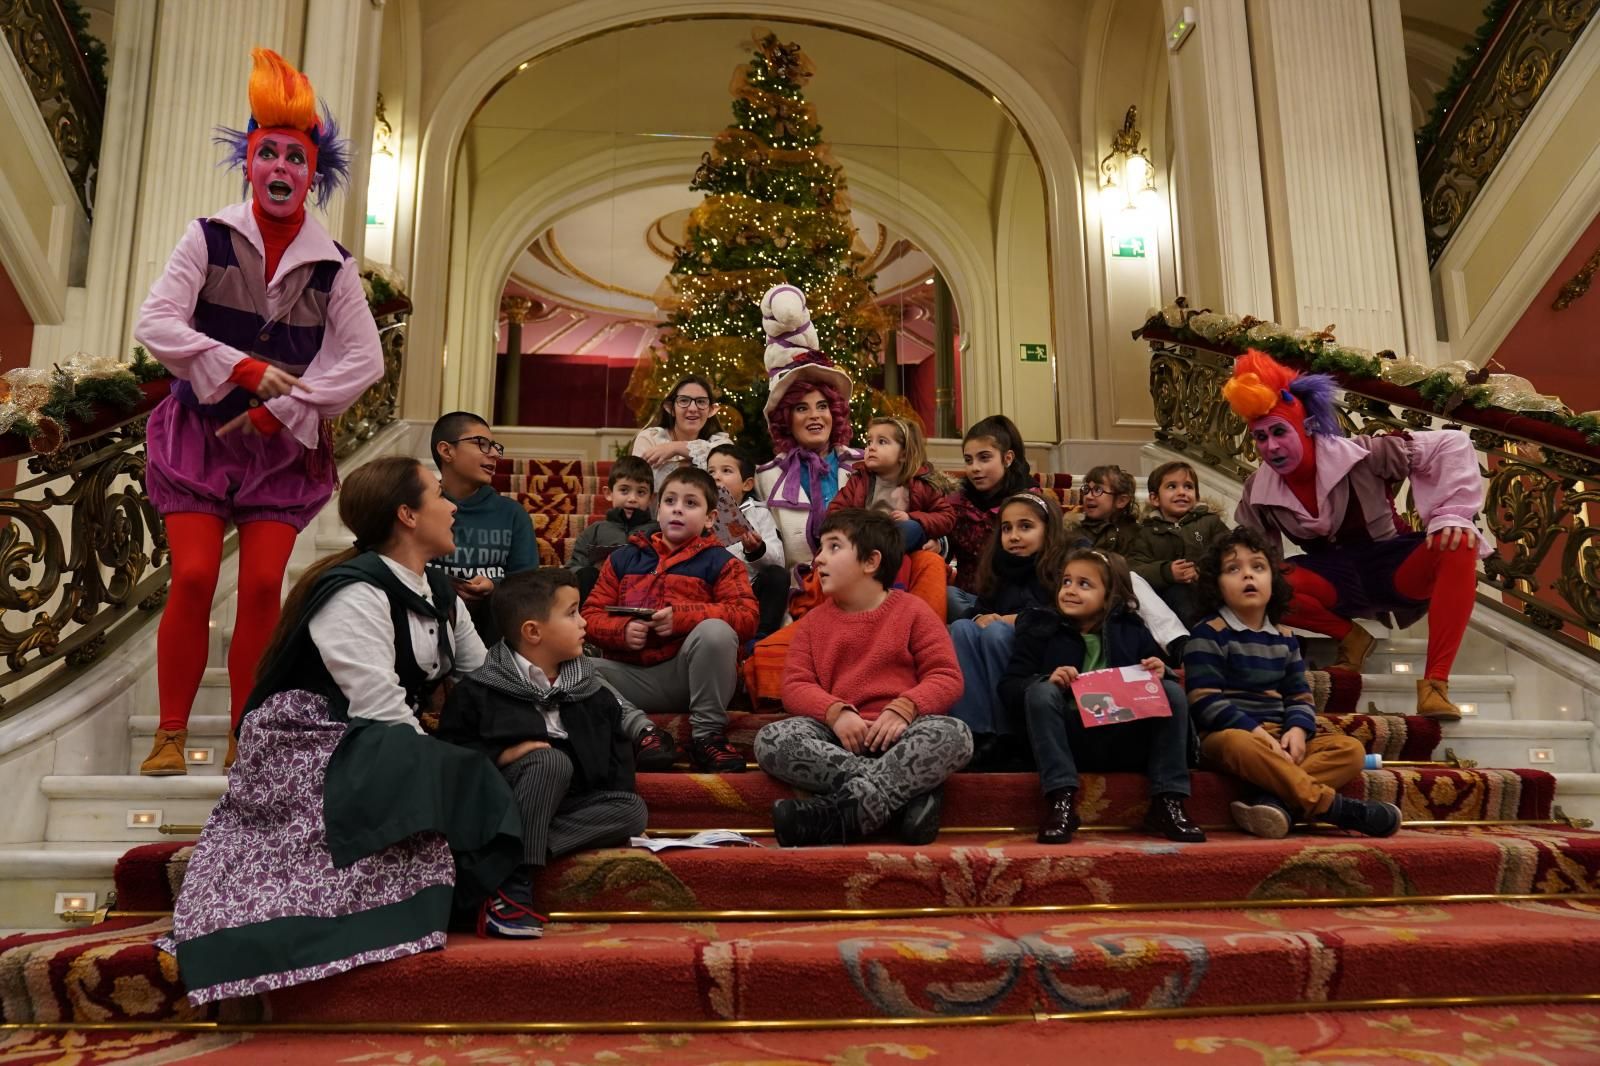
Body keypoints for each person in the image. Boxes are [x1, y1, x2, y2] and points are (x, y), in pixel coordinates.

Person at [160, 457, 527, 1002]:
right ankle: (484, 893)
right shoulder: (355, 591)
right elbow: (378, 705)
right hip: (310, 739)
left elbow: (484, 674)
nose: (453, 506)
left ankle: (486, 877)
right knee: (458, 769)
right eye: (439, 495)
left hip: (376, 732)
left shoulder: (440, 592)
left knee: (510, 759)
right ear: (407, 514)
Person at [133, 48, 382, 775]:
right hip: (199, 436)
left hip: (280, 449)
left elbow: (363, 360)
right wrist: (242, 370)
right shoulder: (205, 237)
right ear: (248, 162)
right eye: (266, 152)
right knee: (192, 577)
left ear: (313, 174)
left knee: (267, 585)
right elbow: (157, 322)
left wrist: (282, 411)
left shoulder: (334, 265)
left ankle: (249, 732)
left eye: (294, 158)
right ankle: (171, 732)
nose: (280, 167)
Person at [1223, 351, 1488, 718]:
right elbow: (1252, 557)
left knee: (1460, 543)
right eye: (1261, 437)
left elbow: (1451, 444)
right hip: (1331, 576)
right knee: (1258, 580)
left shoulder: (1365, 453)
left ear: (1307, 427)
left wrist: (1451, 515)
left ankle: (1435, 685)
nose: (1271, 447)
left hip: (1392, 562)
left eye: (1280, 432)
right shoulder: (1258, 490)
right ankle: (1350, 637)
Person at [438, 568, 647, 938]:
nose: (584, 622)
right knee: (549, 761)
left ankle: (502, 856)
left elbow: (620, 775)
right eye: (572, 613)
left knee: (632, 810)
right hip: (504, 801)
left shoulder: (595, 695)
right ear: (533, 632)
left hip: (572, 806)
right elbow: (450, 762)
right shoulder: (478, 692)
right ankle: (513, 888)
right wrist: (503, 756)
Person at [754, 510, 971, 846]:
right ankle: (906, 797)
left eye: (834, 547)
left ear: (871, 562)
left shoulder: (913, 611)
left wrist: (905, 708)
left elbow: (946, 676)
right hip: (838, 737)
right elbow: (795, 686)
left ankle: (838, 815)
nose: (819, 558)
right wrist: (835, 713)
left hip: (902, 732)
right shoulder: (812, 624)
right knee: (771, 739)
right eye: (820, 549)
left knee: (954, 734)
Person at [1184, 526, 1401, 839]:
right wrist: (1256, 733)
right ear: (1216, 585)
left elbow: (1299, 697)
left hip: (1280, 736)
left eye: (1258, 567)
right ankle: (1335, 809)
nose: (1248, 576)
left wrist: (1297, 731)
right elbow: (1205, 701)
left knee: (1350, 749)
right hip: (1229, 737)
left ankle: (1274, 802)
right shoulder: (1208, 633)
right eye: (1234, 569)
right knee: (1237, 742)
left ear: (1273, 579)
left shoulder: (1285, 639)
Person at [1001, 549, 1202, 845]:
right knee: (1042, 692)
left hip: (1125, 738)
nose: (1070, 590)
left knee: (1170, 689)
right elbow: (1010, 686)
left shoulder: (1131, 629)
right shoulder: (1041, 628)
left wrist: (1161, 669)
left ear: (1109, 596)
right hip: (1069, 741)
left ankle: (1168, 800)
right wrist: (1049, 679)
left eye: (1084, 584)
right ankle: (1061, 802)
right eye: (1066, 581)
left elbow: (1156, 670)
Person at [582, 466, 758, 772]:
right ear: (657, 509)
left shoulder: (722, 562)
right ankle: (645, 733)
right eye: (670, 501)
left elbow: (746, 616)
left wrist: (682, 618)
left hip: (691, 676)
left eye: (691, 503)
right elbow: (590, 615)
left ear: (710, 519)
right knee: (573, 667)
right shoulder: (623, 558)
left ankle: (707, 738)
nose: (678, 509)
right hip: (631, 676)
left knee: (716, 631)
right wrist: (621, 631)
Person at [947, 492, 1071, 768]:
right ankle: (975, 734)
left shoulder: (1061, 568)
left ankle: (1008, 735)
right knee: (962, 628)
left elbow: (1064, 616)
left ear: (1048, 531)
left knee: (996, 633)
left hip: (1041, 657)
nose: (1014, 536)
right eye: (1007, 528)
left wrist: (1013, 620)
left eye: (1025, 527)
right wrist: (980, 616)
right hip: (1001, 646)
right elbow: (980, 606)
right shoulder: (1001, 568)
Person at [753, 284, 863, 570]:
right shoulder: (765, 478)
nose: (815, 416)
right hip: (796, 599)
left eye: (823, 406)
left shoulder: (864, 465)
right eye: (802, 408)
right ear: (786, 419)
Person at [428, 411, 538, 644]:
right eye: (482, 444)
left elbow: (527, 587)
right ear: (447, 451)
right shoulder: (421, 508)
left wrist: (494, 588)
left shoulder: (513, 514)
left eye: (495, 446)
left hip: (493, 629)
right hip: (429, 621)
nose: (495, 454)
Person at [829, 415, 956, 554]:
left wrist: (912, 517)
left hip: (904, 549)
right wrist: (860, 525)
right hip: (864, 540)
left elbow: (947, 516)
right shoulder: (858, 480)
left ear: (903, 454)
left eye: (882, 442)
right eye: (869, 442)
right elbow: (834, 512)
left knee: (912, 529)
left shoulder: (920, 485)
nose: (871, 448)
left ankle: (882, 553)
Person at [947, 415, 1033, 620]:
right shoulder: (956, 501)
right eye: (968, 460)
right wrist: (938, 544)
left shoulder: (1030, 503)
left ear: (1008, 458)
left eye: (984, 458)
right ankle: (978, 623)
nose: (975, 468)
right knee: (948, 596)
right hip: (973, 599)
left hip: (1019, 602)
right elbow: (944, 544)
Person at [1127, 460, 1230, 628]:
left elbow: (1230, 554)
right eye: (1172, 487)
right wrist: (1167, 572)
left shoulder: (1210, 523)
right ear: (1154, 498)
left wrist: (1201, 571)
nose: (1182, 492)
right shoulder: (1146, 532)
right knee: (1178, 592)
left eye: (1188, 487)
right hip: (1168, 603)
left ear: (1196, 497)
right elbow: (1134, 568)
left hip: (1208, 592)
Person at [707, 442, 788, 640]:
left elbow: (778, 561)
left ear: (747, 484)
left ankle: (761, 637)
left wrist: (756, 550)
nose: (716, 477)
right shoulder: (700, 513)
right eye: (710, 472)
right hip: (713, 591)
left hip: (750, 588)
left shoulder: (759, 514)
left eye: (726, 471)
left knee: (777, 576)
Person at [566, 454, 658, 603]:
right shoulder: (595, 531)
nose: (632, 498)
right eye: (624, 490)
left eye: (641, 492)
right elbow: (573, 566)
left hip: (642, 594)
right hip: (600, 594)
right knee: (586, 574)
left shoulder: (657, 532)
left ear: (651, 499)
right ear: (608, 493)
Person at [631, 374, 731, 491]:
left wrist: (676, 448)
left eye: (701, 401)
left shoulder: (720, 442)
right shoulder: (650, 438)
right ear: (670, 408)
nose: (693, 408)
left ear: (711, 410)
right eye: (684, 400)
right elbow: (640, 486)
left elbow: (727, 481)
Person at [1070, 464, 1141, 556]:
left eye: (1098, 490)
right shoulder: (1077, 534)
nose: (1088, 496)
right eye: (1086, 489)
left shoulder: (1137, 535)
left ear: (1121, 501)